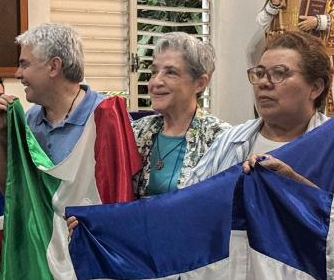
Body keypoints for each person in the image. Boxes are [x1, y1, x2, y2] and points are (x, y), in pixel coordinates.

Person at [0, 22, 104, 280]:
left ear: (54, 66)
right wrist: (1, 135)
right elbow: (10, 190)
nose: (18, 75)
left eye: (25, 64)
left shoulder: (105, 115)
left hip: (94, 269)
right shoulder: (27, 122)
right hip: (48, 270)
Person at [187, 31, 331, 185]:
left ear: (315, 88)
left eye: (279, 73)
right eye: (260, 73)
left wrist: (297, 187)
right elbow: (188, 202)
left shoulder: (329, 142)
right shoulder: (228, 141)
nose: (263, 83)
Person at [131, 32, 231, 197]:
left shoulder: (220, 139)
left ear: (200, 83)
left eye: (170, 73)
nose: (156, 82)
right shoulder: (135, 132)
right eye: (154, 72)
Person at [256, 0, 334, 114]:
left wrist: (319, 21)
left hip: (314, 59)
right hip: (283, 62)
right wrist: (273, 4)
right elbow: (261, 21)